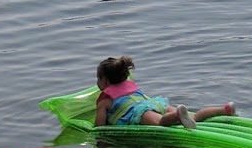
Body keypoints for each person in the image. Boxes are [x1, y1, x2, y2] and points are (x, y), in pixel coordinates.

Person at [94, 55, 235, 129]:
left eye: (98, 78)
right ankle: (224, 109)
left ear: (105, 80)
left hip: (141, 113)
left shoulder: (105, 100)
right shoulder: (130, 86)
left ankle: (177, 115)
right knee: (195, 116)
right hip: (155, 104)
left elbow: (99, 127)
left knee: (161, 122)